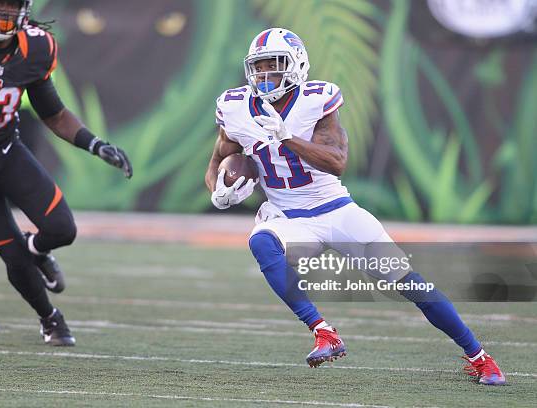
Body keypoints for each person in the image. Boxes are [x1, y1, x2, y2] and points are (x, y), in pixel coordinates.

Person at [206, 27, 505, 385]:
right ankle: (323, 331)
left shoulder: (317, 99)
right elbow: (220, 157)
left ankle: (480, 357)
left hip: (335, 209)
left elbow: (336, 161)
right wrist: (217, 190)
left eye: (275, 65)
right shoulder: (235, 106)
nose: (266, 75)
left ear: (297, 65)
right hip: (286, 215)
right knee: (261, 242)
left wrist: (287, 137)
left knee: (410, 284)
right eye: (260, 67)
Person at [0, 0, 132, 346]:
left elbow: (53, 113)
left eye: (13, 7)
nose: (5, 15)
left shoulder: (37, 46)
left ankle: (37, 248)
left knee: (63, 228)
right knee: (11, 252)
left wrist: (95, 144)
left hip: (5, 151)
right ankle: (51, 319)